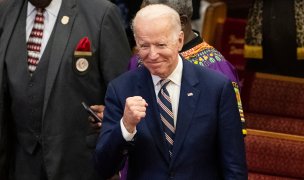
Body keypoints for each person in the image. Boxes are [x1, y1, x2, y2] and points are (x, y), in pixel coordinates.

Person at [94, 4, 247, 179]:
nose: (152, 55)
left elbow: (234, 165)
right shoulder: (121, 89)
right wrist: (126, 127)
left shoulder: (216, 87)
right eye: (144, 46)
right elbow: (103, 167)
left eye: (160, 45)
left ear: (180, 40)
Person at [0, 0, 131, 179]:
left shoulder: (101, 14)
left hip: (78, 164)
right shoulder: (5, 11)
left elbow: (123, 94)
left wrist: (112, 115)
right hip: (20, 164)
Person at [128, 0, 246, 136]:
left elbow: (231, 133)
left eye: (155, 21)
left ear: (181, 22)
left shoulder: (216, 69)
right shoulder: (139, 59)